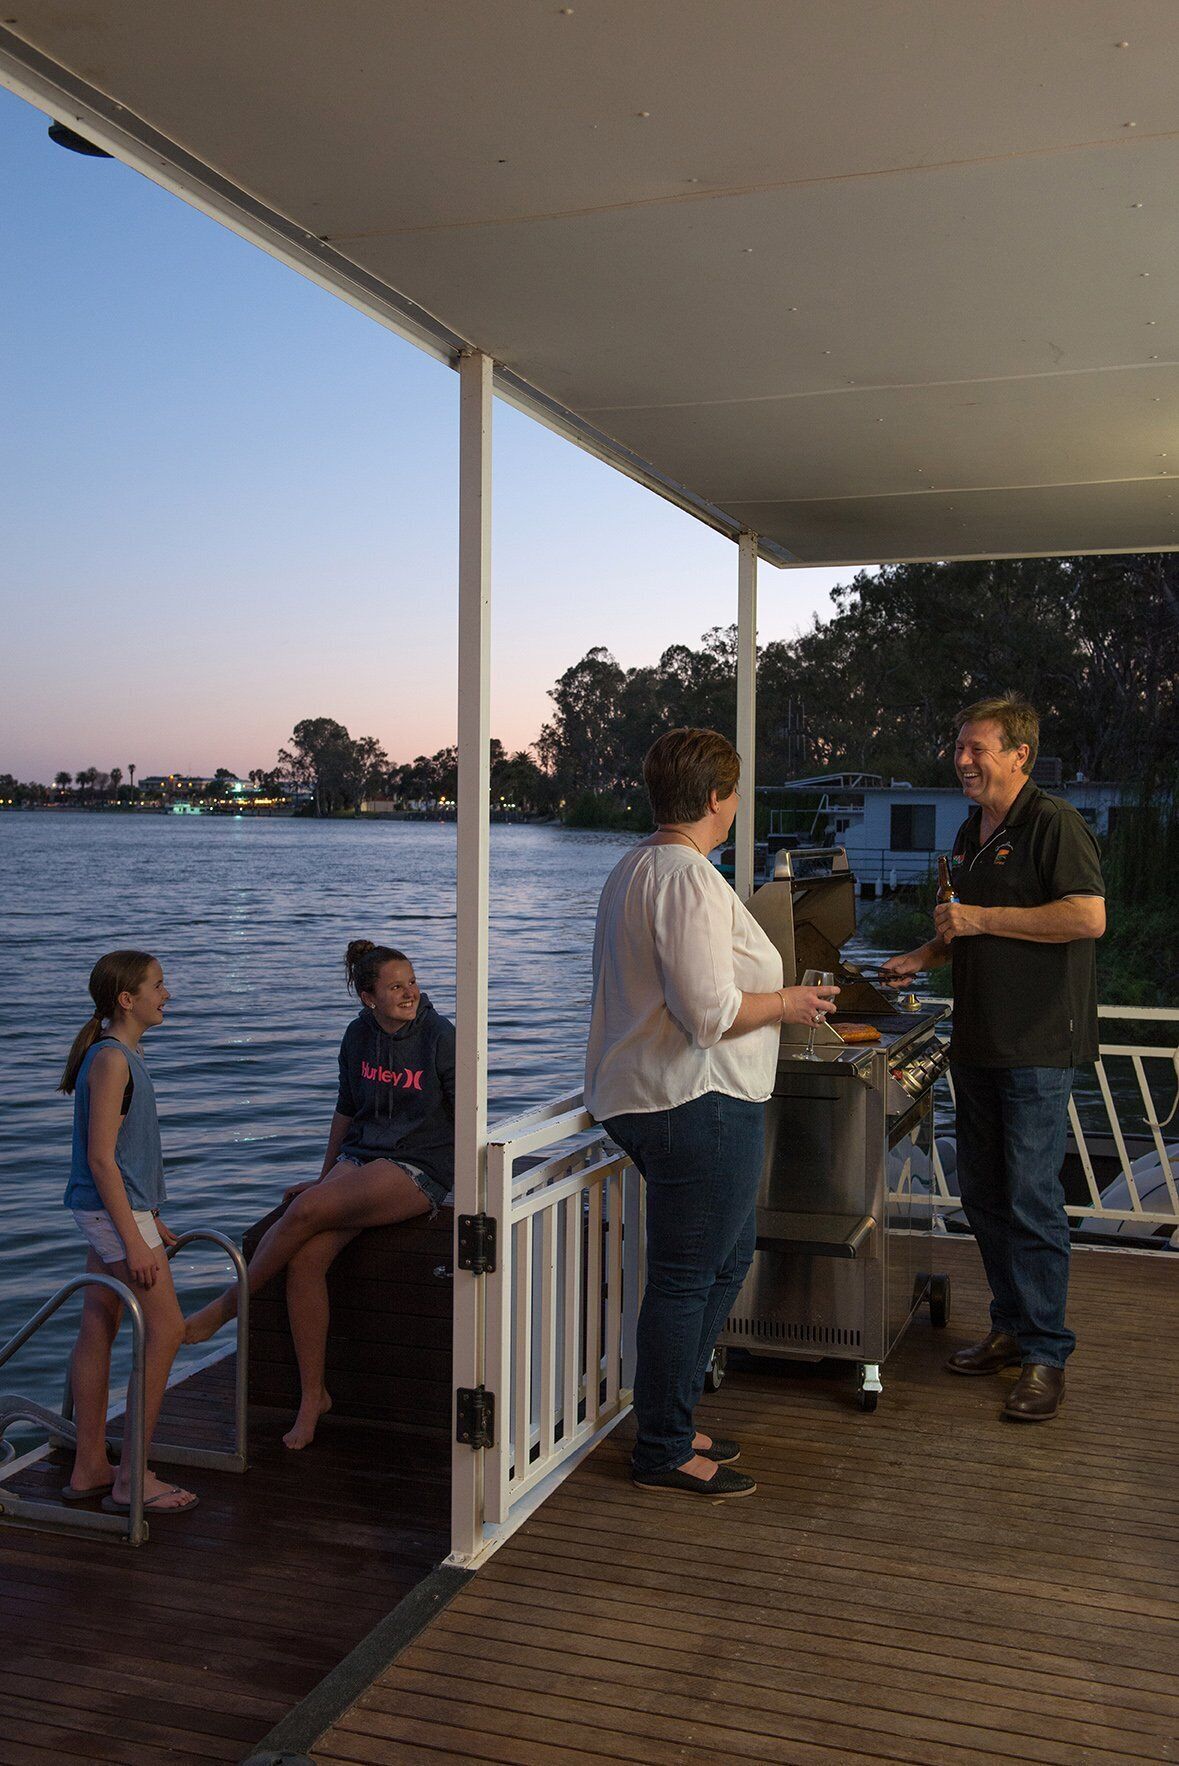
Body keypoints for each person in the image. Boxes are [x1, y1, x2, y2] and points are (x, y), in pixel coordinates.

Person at [585, 727, 839, 1498]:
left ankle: (672, 1414)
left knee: (723, 1261)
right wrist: (790, 1002)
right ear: (712, 798)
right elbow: (707, 1012)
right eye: (733, 792)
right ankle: (659, 1447)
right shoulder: (687, 878)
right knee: (687, 1277)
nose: (735, 806)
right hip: (691, 1101)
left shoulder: (635, 866)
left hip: (656, 1095)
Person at [881, 696, 1106, 1422]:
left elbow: (1086, 915)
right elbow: (960, 929)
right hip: (975, 1041)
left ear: (1019, 756)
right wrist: (921, 955)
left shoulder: (1053, 823)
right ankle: (1010, 1328)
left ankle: (1046, 1353)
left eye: (977, 749)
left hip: (1037, 1044)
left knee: (1030, 1199)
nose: (963, 760)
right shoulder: (969, 829)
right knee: (981, 1195)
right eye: (959, 747)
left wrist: (981, 918)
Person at [185, 941, 455, 1449]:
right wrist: (327, 1175)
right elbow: (346, 1111)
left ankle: (227, 1306)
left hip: (417, 1167)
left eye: (413, 982)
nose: (410, 993)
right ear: (367, 995)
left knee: (303, 1209)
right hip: (361, 1161)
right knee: (307, 1257)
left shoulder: (440, 1037)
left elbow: (467, 1115)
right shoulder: (358, 1035)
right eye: (396, 986)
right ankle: (314, 1396)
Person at [60, 950, 198, 1514]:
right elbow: (100, 1160)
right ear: (127, 998)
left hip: (112, 1211)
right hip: (112, 1213)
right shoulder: (114, 1059)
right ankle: (130, 1479)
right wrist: (134, 1237)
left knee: (100, 1320)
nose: (167, 995)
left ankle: (91, 1464)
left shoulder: (119, 1054)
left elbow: (122, 1155)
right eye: (158, 986)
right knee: (164, 1332)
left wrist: (150, 1216)